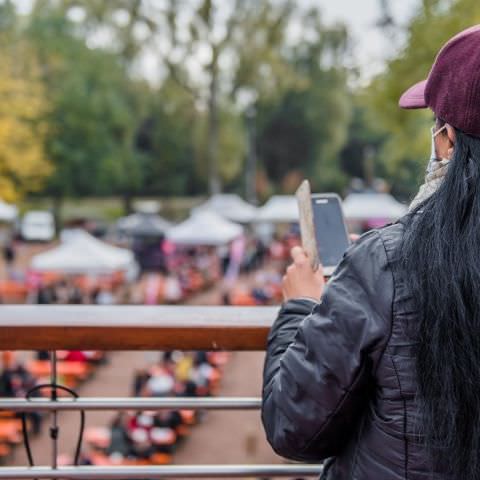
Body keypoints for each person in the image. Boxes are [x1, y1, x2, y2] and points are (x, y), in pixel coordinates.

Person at [262, 26, 480, 480]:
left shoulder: (388, 263)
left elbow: (294, 426)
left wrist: (301, 306)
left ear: (447, 141)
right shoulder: (384, 262)